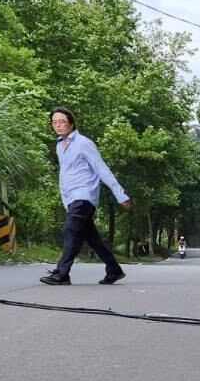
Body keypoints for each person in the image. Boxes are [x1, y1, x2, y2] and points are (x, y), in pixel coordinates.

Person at [40, 106, 132, 285]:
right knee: (92, 237)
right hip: (72, 198)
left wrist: (121, 195)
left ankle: (62, 273)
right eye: (54, 122)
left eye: (62, 122)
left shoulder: (83, 143)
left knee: (71, 231)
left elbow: (101, 169)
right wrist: (66, 200)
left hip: (84, 195)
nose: (58, 125)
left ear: (72, 123)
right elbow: (65, 175)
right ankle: (113, 269)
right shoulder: (60, 145)